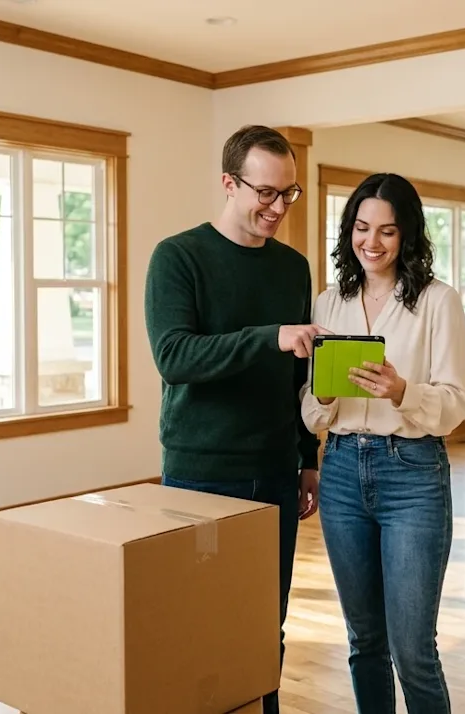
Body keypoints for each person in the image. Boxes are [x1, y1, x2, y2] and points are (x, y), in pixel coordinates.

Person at [143, 125, 325, 714]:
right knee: (201, 623)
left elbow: (301, 378)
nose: (277, 207)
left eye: (289, 194)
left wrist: (306, 459)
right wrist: (267, 337)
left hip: (274, 470)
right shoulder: (178, 256)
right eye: (266, 193)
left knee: (264, 623)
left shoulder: (293, 268)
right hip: (201, 473)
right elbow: (175, 356)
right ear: (229, 182)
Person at [300, 173, 465, 713]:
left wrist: (403, 391)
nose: (372, 242)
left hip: (413, 474)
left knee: (413, 649)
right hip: (345, 470)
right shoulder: (329, 303)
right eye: (361, 227)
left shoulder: (438, 302)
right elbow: (309, 409)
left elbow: (455, 406)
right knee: (364, 641)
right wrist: (324, 400)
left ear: (408, 237)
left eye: (388, 232)